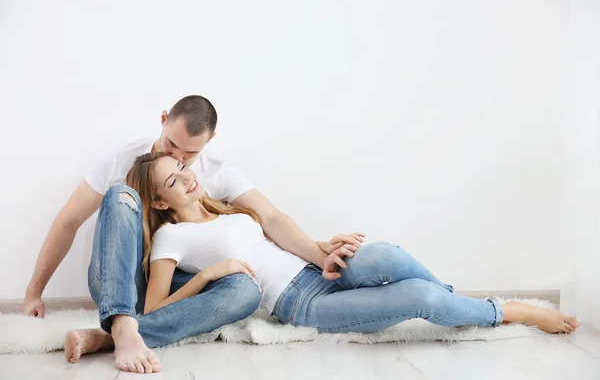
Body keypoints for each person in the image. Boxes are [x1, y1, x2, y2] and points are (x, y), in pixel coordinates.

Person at [66, 152, 580, 371]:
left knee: (384, 253)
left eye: (184, 167)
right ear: (159, 202)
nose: (188, 177)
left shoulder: (228, 207)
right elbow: (154, 307)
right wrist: (210, 273)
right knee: (421, 299)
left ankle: (457, 304)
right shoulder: (173, 237)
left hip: (315, 272)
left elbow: (273, 238)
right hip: (301, 304)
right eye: (174, 180)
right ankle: (507, 311)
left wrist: (323, 245)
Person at [25, 96, 348, 374]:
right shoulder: (119, 158)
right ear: (163, 120)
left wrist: (319, 254)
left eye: (190, 154)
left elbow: (271, 218)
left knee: (245, 290)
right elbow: (68, 220)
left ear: (210, 140)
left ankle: (105, 337)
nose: (179, 159)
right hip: (117, 280)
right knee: (121, 193)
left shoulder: (216, 172)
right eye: (171, 144)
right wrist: (34, 292)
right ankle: (122, 324)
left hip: (168, 288)